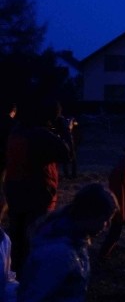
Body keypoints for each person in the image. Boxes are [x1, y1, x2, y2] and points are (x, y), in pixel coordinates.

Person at [10, 183, 117, 302]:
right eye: (105, 219)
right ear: (91, 214)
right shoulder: (58, 252)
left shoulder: (77, 244)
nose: (106, 226)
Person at [4, 99, 70, 271]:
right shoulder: (41, 136)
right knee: (36, 237)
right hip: (37, 194)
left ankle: (15, 273)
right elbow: (66, 154)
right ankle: (32, 275)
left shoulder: (17, 132)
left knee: (18, 238)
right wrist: (64, 131)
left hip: (15, 191)